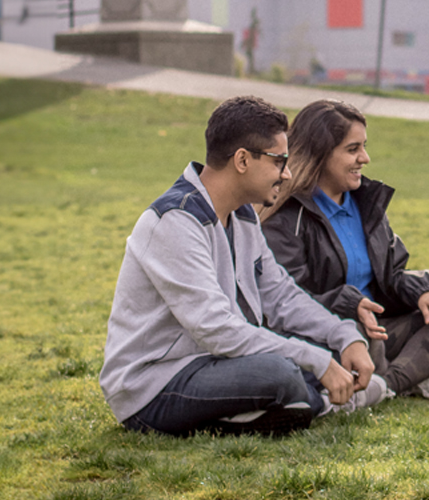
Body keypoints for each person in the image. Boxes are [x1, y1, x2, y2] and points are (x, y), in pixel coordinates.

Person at [100, 96, 388, 437]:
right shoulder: (174, 221)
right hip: (154, 385)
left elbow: (280, 295)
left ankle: (281, 408)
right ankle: (317, 404)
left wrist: (342, 336)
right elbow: (217, 329)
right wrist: (316, 361)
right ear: (242, 160)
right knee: (280, 372)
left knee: (309, 358)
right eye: (280, 161)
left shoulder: (243, 214)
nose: (288, 173)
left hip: (216, 364)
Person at [259, 99, 429, 398]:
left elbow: (392, 273)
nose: (365, 158)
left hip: (379, 330)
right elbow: (284, 300)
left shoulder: (365, 205)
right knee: (361, 335)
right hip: (331, 335)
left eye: (364, 146)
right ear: (320, 154)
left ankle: (386, 386)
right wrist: (349, 305)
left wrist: (425, 292)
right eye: (352, 149)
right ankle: (415, 379)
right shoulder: (287, 218)